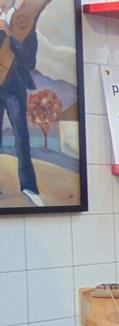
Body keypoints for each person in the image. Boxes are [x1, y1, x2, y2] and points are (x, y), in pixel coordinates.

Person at [0, 0, 41, 206]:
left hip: (15, 89)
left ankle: (29, 187)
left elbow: (30, 61)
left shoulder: (24, 21)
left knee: (21, 138)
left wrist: (9, 34)